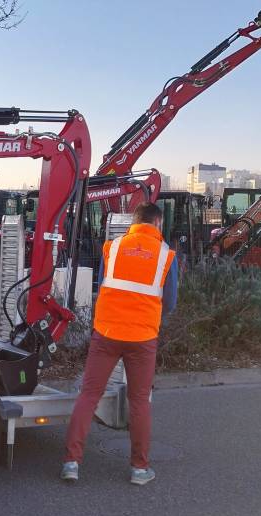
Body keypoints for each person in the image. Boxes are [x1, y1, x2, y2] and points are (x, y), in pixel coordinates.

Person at [61, 202, 178, 486]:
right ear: (158, 224)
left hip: (107, 332)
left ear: (133, 223)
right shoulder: (166, 256)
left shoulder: (112, 249)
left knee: (89, 395)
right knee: (139, 402)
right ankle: (139, 469)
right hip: (143, 338)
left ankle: (71, 463)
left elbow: (103, 285)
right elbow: (170, 301)